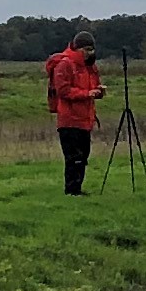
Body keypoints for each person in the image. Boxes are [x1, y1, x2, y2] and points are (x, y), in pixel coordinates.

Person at [45, 35, 103, 192]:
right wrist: (87, 93)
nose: (90, 53)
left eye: (92, 49)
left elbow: (93, 86)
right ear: (78, 49)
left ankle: (77, 188)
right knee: (73, 158)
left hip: (85, 119)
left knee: (83, 156)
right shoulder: (65, 65)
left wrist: (98, 91)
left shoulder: (90, 67)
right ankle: (71, 190)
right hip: (69, 120)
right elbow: (63, 91)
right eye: (87, 50)